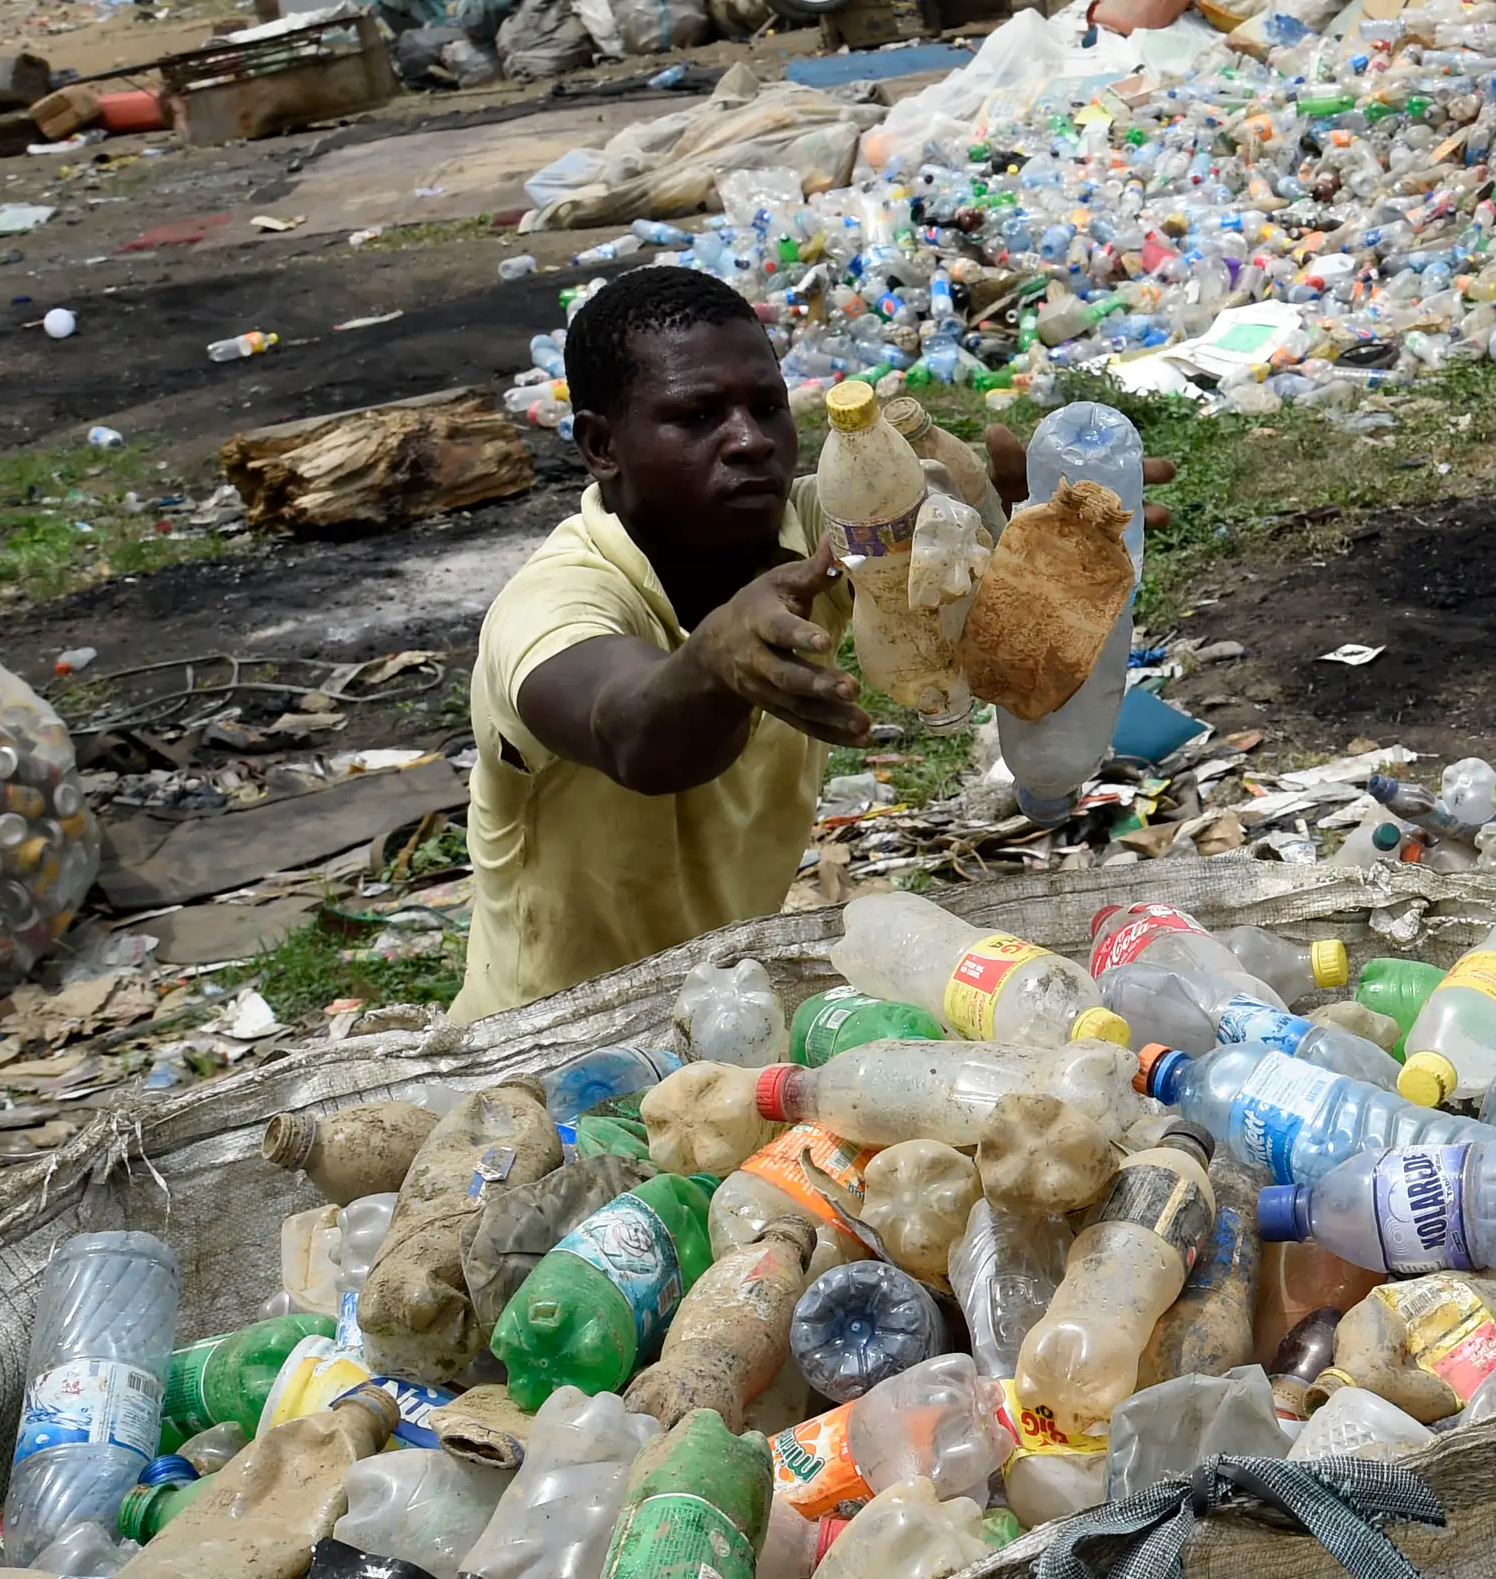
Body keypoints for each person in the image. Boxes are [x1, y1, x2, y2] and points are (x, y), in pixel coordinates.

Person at [455, 268, 1175, 1019]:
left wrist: (1007, 522)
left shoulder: (817, 538)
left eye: (768, 406)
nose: (751, 441)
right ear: (603, 446)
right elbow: (632, 733)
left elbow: (916, 534)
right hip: (549, 1049)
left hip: (725, 1012)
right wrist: (715, 658)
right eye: (698, 416)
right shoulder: (555, 603)